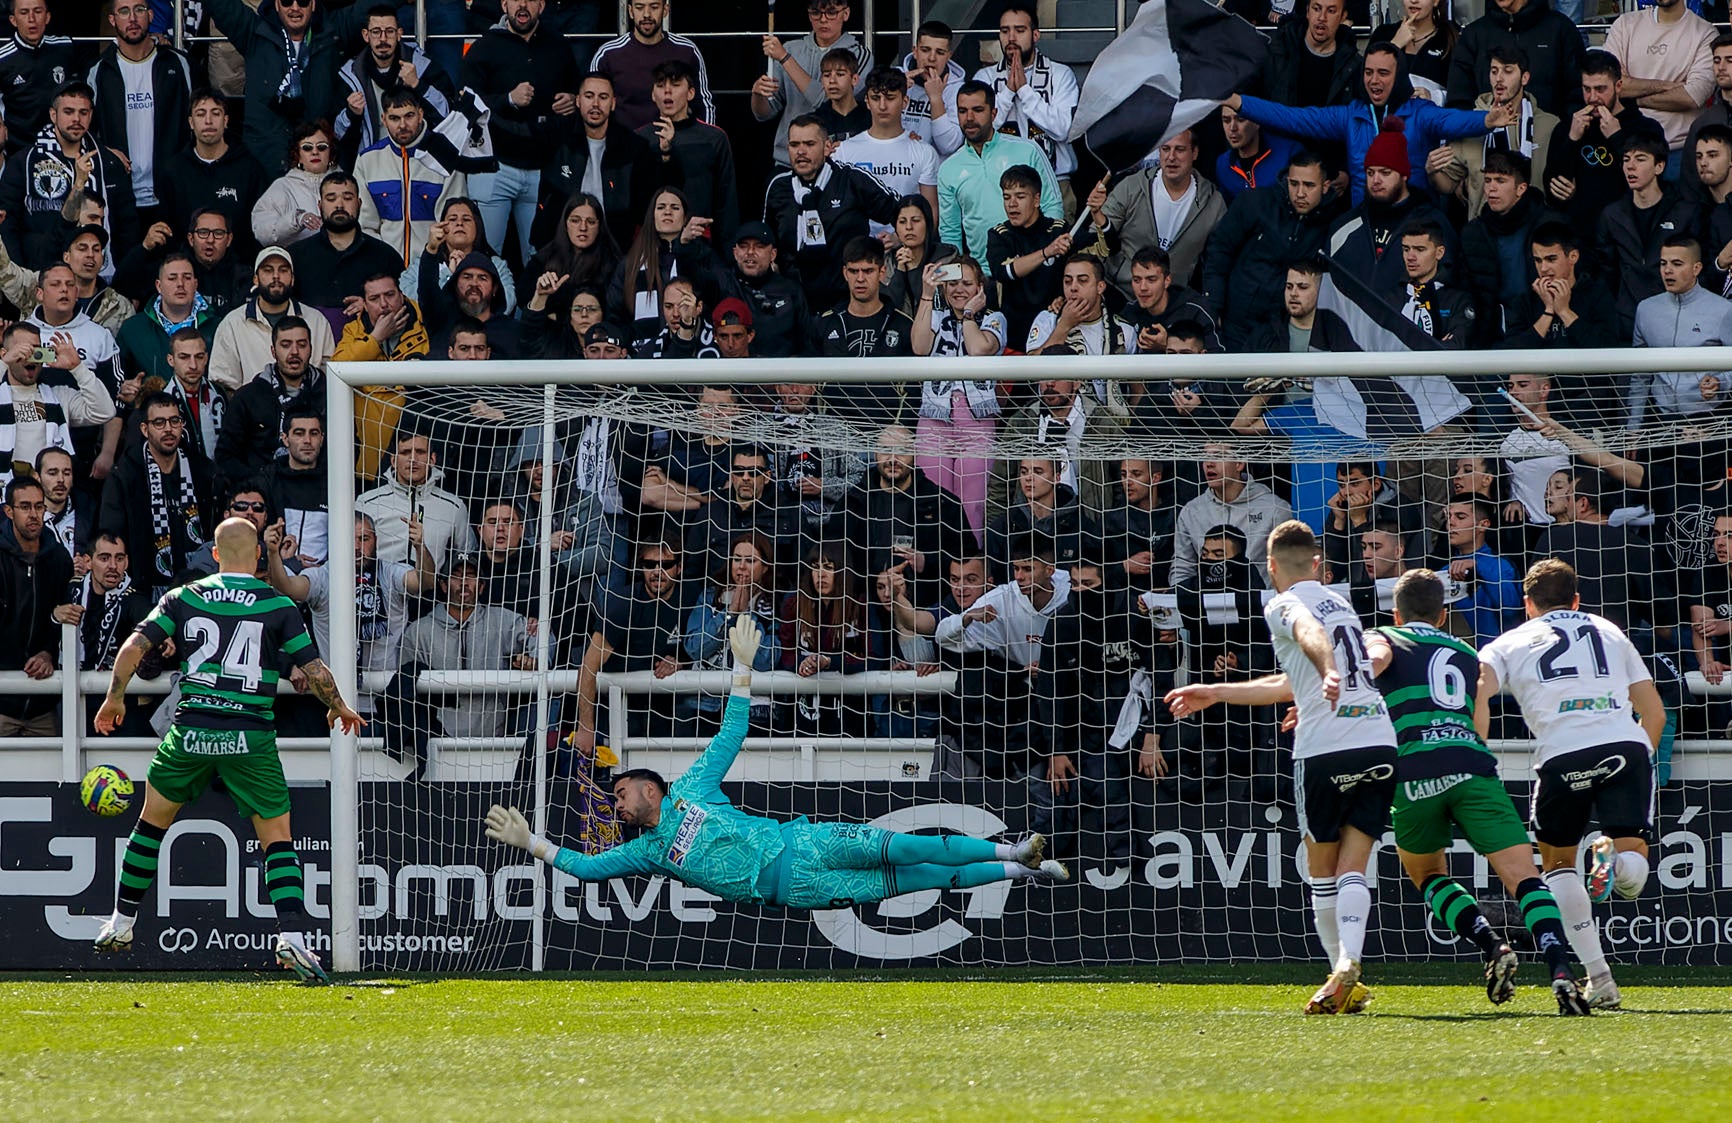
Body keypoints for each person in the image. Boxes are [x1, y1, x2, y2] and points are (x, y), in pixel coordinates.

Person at [488, 613, 1066, 903]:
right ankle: (1021, 868)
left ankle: (1013, 848)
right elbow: (587, 867)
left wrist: (742, 669)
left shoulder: (692, 786)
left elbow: (730, 733)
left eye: (620, 791)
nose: (616, 800)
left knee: (909, 847)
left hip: (804, 842)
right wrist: (532, 843)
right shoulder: (647, 853)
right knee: (915, 880)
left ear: (651, 786)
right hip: (798, 891)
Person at [91, 517, 362, 981]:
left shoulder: (185, 597)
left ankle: (121, 922)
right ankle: (292, 938)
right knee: (277, 838)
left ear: (214, 555)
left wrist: (114, 697)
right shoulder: (277, 604)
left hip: (190, 731)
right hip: (249, 735)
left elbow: (135, 645)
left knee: (150, 825)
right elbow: (311, 667)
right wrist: (339, 706)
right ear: (258, 555)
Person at [1165, 520, 1397, 1015]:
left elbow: (1308, 634)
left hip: (1326, 745)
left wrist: (1327, 670)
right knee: (1356, 865)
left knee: (1321, 870)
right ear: (1317, 563)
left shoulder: (1282, 603)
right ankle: (1350, 968)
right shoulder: (1343, 603)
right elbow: (1293, 678)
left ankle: (1340, 968)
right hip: (1378, 739)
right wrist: (1217, 692)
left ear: (1270, 566)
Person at [1360, 568, 1587, 1014]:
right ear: (1444, 615)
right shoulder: (1466, 652)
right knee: (1525, 877)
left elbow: (1375, 660)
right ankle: (1561, 971)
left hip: (1414, 769)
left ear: (1396, 612)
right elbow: (1478, 722)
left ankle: (1491, 945)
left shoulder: (1382, 634)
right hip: (1470, 763)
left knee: (1427, 874)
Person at [1477, 558, 1667, 1011]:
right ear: (1577, 599)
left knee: (1558, 866)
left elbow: (1476, 692)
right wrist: (1641, 762)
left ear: (1527, 605)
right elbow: (1655, 713)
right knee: (1634, 874)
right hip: (1625, 744)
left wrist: (1477, 750)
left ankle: (1600, 979)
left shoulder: (1506, 643)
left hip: (1562, 754)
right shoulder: (1608, 630)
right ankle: (1617, 865)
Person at [1227, 46, 1506, 207]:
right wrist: (1238, 102)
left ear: (1398, 78)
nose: (1374, 80)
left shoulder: (1420, 113)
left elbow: (1451, 120)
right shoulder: (1352, 115)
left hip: (1412, 221)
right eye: (1369, 72)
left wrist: (1485, 121)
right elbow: (1294, 118)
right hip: (1365, 220)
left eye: (1383, 73)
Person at [267, 510, 434, 714]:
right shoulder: (323, 575)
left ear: (376, 540)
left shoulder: (390, 572)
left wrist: (420, 547)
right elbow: (287, 587)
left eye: (364, 539)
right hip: (335, 701)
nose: (356, 547)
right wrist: (273, 554)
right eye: (349, 539)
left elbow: (424, 582)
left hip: (387, 701)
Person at [460, 0, 582, 267]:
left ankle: (531, 310)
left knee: (540, 260)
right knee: (483, 259)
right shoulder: (484, 47)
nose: (522, 5)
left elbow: (579, 92)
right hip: (493, 166)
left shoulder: (558, 46)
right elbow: (465, 104)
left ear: (542, 5)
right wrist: (508, 100)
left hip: (544, 169)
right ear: (504, 4)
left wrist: (574, 99)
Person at [202, 0, 373, 174]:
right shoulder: (255, 32)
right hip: (266, 161)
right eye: (286, 2)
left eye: (303, 2)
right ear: (276, 5)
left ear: (314, 4)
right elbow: (221, 5)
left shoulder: (332, 32)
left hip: (315, 162)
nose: (295, 8)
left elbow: (367, 9)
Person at [1200, 151, 1339, 353]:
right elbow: (1219, 250)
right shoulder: (1256, 202)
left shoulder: (1333, 224)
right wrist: (1213, 306)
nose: (1300, 193)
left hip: (1287, 329)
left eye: (1309, 185)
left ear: (1325, 187)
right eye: (1294, 184)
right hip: (1236, 323)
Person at [763, 115, 899, 313]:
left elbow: (903, 211)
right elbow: (766, 241)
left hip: (846, 302)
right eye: (794, 144)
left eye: (809, 144)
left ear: (827, 147)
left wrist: (897, 239)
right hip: (795, 302)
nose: (801, 151)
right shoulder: (778, 187)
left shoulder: (851, 180)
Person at [0, 81, 138, 271]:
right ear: (53, 115)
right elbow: (8, 224)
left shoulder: (109, 162)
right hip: (41, 276)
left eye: (83, 113)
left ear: (91, 115)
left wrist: (127, 280)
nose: (76, 119)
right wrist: (21, 275)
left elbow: (127, 225)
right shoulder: (24, 162)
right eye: (68, 112)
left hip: (100, 276)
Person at [539, 73, 680, 253]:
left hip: (615, 249)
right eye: (589, 96)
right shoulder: (556, 137)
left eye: (603, 97)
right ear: (578, 101)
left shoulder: (633, 146)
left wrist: (667, 154)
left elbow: (656, 196)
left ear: (613, 103)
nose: (596, 104)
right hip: (558, 247)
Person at [84, 0, 192, 228]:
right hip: (119, 200)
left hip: (171, 196)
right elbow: (83, 132)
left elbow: (197, 121)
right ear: (112, 19)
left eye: (139, 10)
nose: (132, 18)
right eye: (124, 11)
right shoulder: (98, 71)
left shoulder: (178, 63)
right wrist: (105, 153)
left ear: (151, 15)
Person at [98, 391, 214, 597]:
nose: (168, 429)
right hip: (144, 590)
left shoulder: (202, 470)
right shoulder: (125, 476)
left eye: (174, 421)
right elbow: (112, 533)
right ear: (144, 429)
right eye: (159, 423)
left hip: (200, 588)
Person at [1542, 52, 1666, 241]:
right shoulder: (1568, 127)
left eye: (1600, 89)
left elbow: (1648, 181)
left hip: (1628, 232)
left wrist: (1617, 138)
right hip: (1579, 233)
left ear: (1618, 86)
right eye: (1586, 89)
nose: (1592, 97)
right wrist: (1572, 140)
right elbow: (1553, 186)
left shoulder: (1645, 128)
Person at [354, 91, 481, 268]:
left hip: (435, 265)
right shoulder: (368, 159)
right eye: (394, 118)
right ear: (383, 119)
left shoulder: (444, 156)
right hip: (384, 267)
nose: (403, 125)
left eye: (409, 116)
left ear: (420, 114)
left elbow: (452, 223)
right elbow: (365, 225)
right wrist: (383, 260)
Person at [937, 82, 1061, 261]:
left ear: (993, 113)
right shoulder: (948, 168)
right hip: (982, 275)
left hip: (1032, 266)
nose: (969, 118)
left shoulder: (1028, 150)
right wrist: (959, 275)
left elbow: (1052, 205)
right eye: (962, 111)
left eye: (978, 110)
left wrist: (1044, 259)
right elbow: (950, 232)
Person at [1433, 46, 1557, 224]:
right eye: (1494, 71)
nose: (1499, 78)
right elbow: (1448, 183)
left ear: (1525, 77)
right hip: (1484, 233)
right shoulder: (1472, 124)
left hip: (1534, 231)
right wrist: (1432, 171)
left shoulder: (1549, 125)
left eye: (1508, 71)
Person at [1597, 134, 1701, 342]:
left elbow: (1699, 265)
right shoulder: (1612, 215)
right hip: (1628, 321)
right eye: (1626, 160)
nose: (1630, 167)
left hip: (1675, 319)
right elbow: (1605, 269)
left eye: (1640, 159)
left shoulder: (1684, 211)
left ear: (1659, 167)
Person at [1094, 129, 1225, 293]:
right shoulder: (1131, 187)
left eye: (1180, 149)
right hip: (1122, 292)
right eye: (1165, 149)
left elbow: (1219, 260)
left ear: (1195, 153)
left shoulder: (1213, 202)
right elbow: (1095, 237)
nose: (1171, 157)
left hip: (1173, 301)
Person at [973, 6, 1077, 206]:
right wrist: (1008, 93)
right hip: (999, 186)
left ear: (1035, 34)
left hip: (1053, 183)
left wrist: (1024, 91)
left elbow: (1063, 130)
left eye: (1020, 31)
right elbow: (980, 132)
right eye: (1005, 31)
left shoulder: (1060, 74)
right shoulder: (985, 78)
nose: (1011, 38)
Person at [751, 0, 873, 170]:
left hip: (837, 162)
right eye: (816, 13)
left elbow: (825, 99)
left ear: (846, 14)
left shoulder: (858, 53)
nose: (823, 19)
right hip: (790, 162)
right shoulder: (791, 48)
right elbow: (765, 113)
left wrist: (785, 58)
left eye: (831, 12)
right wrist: (758, 95)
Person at [1629, 234, 1732, 429]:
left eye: (1677, 264)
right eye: (1663, 263)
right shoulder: (1646, 309)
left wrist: (1720, 381)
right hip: (1660, 421)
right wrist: (1633, 426)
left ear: (1696, 268)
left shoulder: (1724, 310)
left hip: (1709, 421)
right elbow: (1639, 375)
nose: (1667, 270)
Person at [156, 91, 271, 262]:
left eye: (216, 113)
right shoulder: (174, 170)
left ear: (226, 121)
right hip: (188, 270)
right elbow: (168, 228)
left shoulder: (249, 168)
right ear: (191, 122)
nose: (208, 121)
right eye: (201, 114)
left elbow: (261, 225)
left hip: (239, 269)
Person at [810, 237, 915, 423]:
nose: (860, 279)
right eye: (853, 271)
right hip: (834, 437)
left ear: (882, 272)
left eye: (868, 271)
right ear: (845, 273)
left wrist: (900, 427)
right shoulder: (824, 323)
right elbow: (811, 386)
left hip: (888, 438)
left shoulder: (903, 324)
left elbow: (914, 389)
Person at [0, 474, 74, 737]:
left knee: (54, 775)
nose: (33, 514)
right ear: (8, 511)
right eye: (25, 507)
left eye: (39, 506)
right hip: (2, 702)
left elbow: (68, 615)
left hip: (43, 702)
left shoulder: (59, 558)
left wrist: (47, 653)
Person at [334, 4, 456, 163]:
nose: (383, 39)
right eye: (376, 32)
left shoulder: (423, 67)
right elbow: (337, 134)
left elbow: (447, 118)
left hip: (419, 164)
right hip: (372, 166)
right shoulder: (349, 74)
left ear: (399, 34)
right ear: (366, 35)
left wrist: (418, 86)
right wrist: (351, 113)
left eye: (389, 31)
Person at [0, 321, 114, 489]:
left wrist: (77, 368)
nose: (28, 356)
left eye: (35, 350)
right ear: (6, 353)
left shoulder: (59, 395)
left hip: (51, 495)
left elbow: (105, 411)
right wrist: (3, 363)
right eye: (22, 350)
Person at [208, 246, 337, 394]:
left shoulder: (317, 322)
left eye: (283, 270)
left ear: (293, 278)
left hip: (308, 413)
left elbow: (329, 379)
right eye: (268, 270)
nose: (276, 276)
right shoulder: (232, 324)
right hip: (252, 414)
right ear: (255, 278)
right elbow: (223, 384)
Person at [289, 170, 406, 332]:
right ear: (320, 205)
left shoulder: (385, 256)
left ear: (359, 203)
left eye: (347, 198)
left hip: (372, 350)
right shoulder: (296, 255)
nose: (339, 205)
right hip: (311, 350)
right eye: (331, 198)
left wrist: (371, 306)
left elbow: (406, 307)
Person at [1602, 0, 1716, 166]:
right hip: (1626, 148)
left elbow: (1692, 96)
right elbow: (1611, 84)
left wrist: (1633, 99)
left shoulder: (1704, 33)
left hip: (1679, 151)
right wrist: (1667, 86)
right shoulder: (1625, 25)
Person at [215, 316, 322, 487]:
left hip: (318, 494)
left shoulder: (330, 394)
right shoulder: (248, 397)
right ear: (273, 351)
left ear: (311, 349)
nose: (294, 352)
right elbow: (226, 455)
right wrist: (259, 485)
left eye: (301, 345)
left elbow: (350, 448)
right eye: (286, 345)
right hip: (262, 497)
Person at [640, 60, 737, 246]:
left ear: (691, 92)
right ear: (653, 94)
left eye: (675, 85)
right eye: (660, 86)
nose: (667, 91)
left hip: (702, 243)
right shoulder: (640, 139)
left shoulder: (714, 138)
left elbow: (726, 203)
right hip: (653, 244)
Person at [833, 66, 941, 225]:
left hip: (906, 245)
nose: (882, 106)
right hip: (858, 245)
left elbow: (930, 210)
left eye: (890, 98)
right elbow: (837, 207)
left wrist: (900, 237)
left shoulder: (924, 152)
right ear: (867, 102)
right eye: (876, 98)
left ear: (905, 101)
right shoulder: (843, 151)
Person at [1170, 452, 1295, 588]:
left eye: (1218, 456)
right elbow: (1182, 566)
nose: (1209, 464)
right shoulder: (1192, 511)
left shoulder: (1275, 509)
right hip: (1208, 606)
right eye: (1204, 457)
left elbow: (1290, 567)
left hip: (1261, 605)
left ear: (1239, 463)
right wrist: (1181, 599)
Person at [355, 427, 476, 565]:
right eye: (405, 452)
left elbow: (467, 557)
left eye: (420, 452)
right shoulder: (367, 502)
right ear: (393, 461)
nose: (413, 459)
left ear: (432, 459)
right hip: (379, 585)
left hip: (431, 585)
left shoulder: (454, 506)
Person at [590, 0, 715, 134]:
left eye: (654, 7)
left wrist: (704, 144)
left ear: (666, 10)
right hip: (625, 147)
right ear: (630, 11)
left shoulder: (687, 50)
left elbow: (703, 104)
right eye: (639, 7)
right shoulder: (608, 54)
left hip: (678, 146)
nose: (646, 14)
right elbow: (592, 104)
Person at [1447, 0, 1585, 119]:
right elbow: (1458, 100)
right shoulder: (1474, 35)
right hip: (1485, 142)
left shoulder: (1561, 29)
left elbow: (1577, 92)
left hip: (1549, 142)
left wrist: (1562, 137)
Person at [983, 163, 1069, 349]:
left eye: (1020, 197)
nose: (1012, 204)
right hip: (1012, 338)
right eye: (1007, 197)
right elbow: (1004, 272)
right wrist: (1047, 252)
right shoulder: (999, 234)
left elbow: (1107, 249)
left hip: (1053, 335)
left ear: (1037, 199)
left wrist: (1096, 213)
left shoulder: (1059, 230)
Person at [0, 224, 131, 339]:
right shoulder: (38, 284)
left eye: (96, 250)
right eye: (82, 248)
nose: (90, 255)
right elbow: (4, 271)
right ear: (66, 257)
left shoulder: (120, 306)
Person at [403, 195, 518, 316]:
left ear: (477, 227)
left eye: (467, 219)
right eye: (452, 219)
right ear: (442, 227)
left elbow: (508, 304)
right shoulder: (425, 263)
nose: (459, 223)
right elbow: (407, 298)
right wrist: (448, 275)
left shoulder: (495, 264)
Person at [116, 254, 217, 386]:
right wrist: (125, 390)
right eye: (172, 278)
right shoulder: (133, 329)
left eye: (187, 278)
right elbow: (118, 382)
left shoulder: (216, 327)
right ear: (158, 285)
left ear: (195, 284)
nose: (180, 284)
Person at [0, 0, 76, 153]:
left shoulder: (65, 48)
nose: (31, 19)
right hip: (19, 152)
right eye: (24, 12)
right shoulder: (2, 59)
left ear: (47, 17)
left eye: (38, 11)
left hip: (62, 150)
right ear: (13, 20)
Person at [1260, 0, 1360, 110]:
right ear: (1307, 11)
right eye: (1316, 9)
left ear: (1343, 17)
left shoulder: (1352, 65)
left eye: (1331, 11)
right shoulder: (1277, 49)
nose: (1322, 17)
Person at [898, 20, 963, 158]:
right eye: (925, 50)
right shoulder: (894, 79)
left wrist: (936, 99)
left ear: (948, 56)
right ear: (915, 52)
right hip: (895, 168)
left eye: (939, 52)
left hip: (934, 175)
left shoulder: (958, 89)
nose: (932, 58)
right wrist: (895, 92)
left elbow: (949, 146)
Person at [1370, 0, 1459, 99]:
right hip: (1386, 112)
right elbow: (1365, 81)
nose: (1414, 1)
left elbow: (1461, 92)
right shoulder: (1383, 34)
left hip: (1430, 112)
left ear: (1435, 2)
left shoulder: (1450, 39)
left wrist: (1434, 96)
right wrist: (1395, 45)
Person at [1216, 101, 1300, 203]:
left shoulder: (1289, 152)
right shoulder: (1223, 164)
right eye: (1226, 120)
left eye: (1241, 119)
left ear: (1257, 121)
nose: (1232, 128)